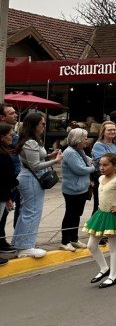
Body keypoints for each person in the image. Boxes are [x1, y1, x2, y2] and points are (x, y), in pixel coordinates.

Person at [13, 112, 63, 258]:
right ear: (34, 125)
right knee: (32, 212)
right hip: (30, 179)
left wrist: (49, 156)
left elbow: (34, 159)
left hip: (29, 179)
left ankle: (22, 244)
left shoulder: (31, 140)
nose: (44, 126)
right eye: (42, 123)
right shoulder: (31, 142)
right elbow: (35, 165)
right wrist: (55, 161)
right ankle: (25, 247)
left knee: (28, 212)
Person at [83, 152, 116, 288]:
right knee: (91, 245)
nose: (102, 167)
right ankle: (104, 268)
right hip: (101, 214)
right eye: (100, 165)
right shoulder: (101, 178)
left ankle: (113, 276)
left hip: (113, 217)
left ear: (115, 166)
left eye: (105, 165)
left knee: (113, 247)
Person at [59, 128, 95, 251]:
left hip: (81, 189)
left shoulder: (79, 150)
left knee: (77, 215)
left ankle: (74, 238)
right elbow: (79, 169)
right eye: (85, 138)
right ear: (78, 139)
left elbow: (88, 162)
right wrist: (93, 168)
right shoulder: (70, 152)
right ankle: (65, 241)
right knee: (70, 214)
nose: (86, 140)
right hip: (72, 189)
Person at [90, 121, 116, 214]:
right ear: (103, 132)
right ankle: (98, 227)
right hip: (104, 180)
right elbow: (103, 161)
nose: (113, 132)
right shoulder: (98, 145)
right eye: (109, 130)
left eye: (114, 130)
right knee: (101, 206)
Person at [0, 105, 21, 254]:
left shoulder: (15, 136)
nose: (15, 115)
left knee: (5, 213)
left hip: (11, 183)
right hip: (4, 186)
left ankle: (2, 240)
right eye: (11, 113)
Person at [0, 123, 17, 264]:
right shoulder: (2, 154)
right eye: (10, 135)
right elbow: (4, 178)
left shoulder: (5, 151)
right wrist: (7, 198)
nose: (12, 137)